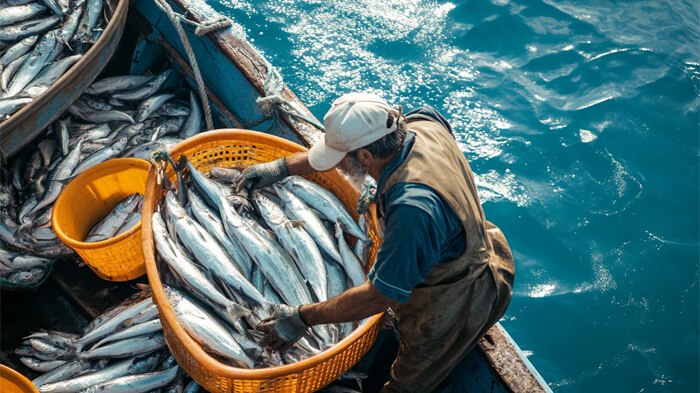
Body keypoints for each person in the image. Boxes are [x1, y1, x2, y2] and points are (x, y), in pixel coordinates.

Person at [234, 93, 515, 393]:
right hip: (478, 241)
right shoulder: (421, 121)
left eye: (341, 160)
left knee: (407, 386)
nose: (338, 167)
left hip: (455, 297)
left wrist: (302, 317)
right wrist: (283, 168)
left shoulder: (412, 211)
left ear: (366, 157)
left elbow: (379, 298)